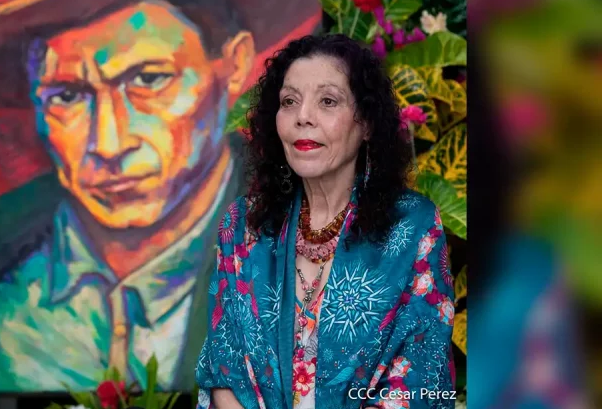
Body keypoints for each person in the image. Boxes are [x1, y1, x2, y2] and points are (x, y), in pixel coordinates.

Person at [0, 0, 320, 392]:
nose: (109, 143)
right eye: (67, 95)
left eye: (148, 80)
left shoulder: (310, 244)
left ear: (233, 66)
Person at [195, 34, 456, 409]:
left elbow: (420, 379)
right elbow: (223, 370)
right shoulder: (242, 226)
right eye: (289, 101)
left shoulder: (411, 226)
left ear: (365, 123)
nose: (303, 116)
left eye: (328, 101)